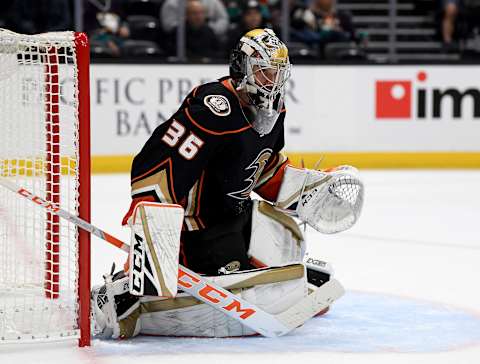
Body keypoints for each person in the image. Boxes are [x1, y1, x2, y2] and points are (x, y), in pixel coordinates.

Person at [91, 28, 363, 339]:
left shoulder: (275, 111)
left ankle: (257, 276)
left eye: (278, 73)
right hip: (199, 231)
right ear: (242, 68)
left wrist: (305, 190)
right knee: (247, 282)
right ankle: (125, 298)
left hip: (237, 215)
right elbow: (158, 164)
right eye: (264, 72)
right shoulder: (213, 110)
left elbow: (263, 168)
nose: (272, 81)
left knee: (287, 236)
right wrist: (151, 240)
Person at [160, 0, 229, 41]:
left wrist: (210, 29)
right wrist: (190, 25)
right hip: (182, 38)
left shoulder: (213, 2)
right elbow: (168, 26)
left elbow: (223, 20)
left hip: (208, 37)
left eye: (201, 13)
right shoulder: (171, 3)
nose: (198, 16)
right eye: (193, 13)